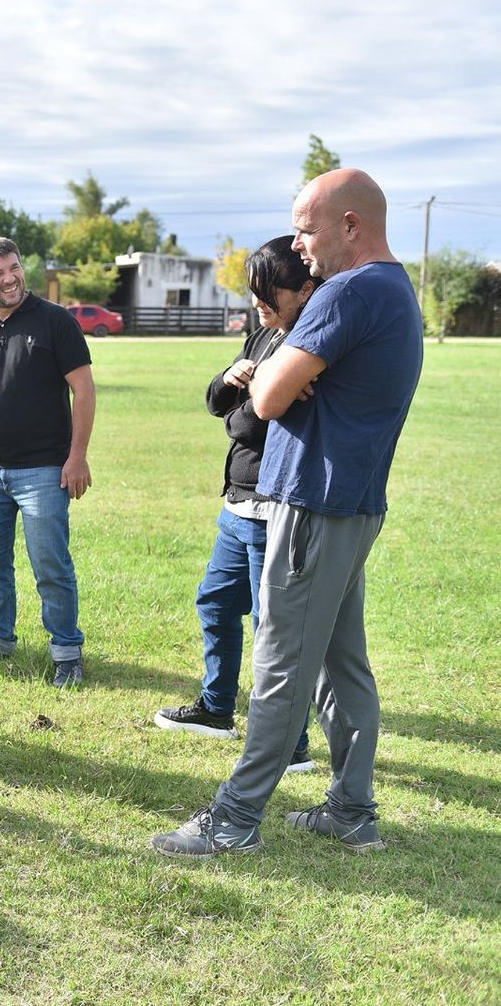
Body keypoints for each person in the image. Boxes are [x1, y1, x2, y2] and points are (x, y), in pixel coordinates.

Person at [152, 169, 424, 857]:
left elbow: (267, 396)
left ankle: (235, 820)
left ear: (350, 225)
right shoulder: (392, 288)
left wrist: (275, 376)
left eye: (305, 226)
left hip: (313, 506)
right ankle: (352, 811)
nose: (297, 243)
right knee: (340, 664)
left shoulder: (349, 291)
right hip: (349, 505)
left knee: (279, 666)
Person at [154, 237, 323, 772]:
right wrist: (231, 381)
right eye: (255, 295)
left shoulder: (311, 342)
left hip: (276, 506)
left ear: (306, 290)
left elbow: (249, 423)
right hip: (237, 503)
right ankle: (217, 709)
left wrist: (243, 405)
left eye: (268, 295)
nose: (259, 305)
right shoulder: (264, 335)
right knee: (216, 604)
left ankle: (291, 745)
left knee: (273, 631)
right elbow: (217, 404)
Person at [0, 237, 96, 686]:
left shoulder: (56, 322)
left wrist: (77, 457)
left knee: (50, 563)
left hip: (44, 469)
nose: (10, 279)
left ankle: (66, 650)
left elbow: (83, 391)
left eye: (14, 268)